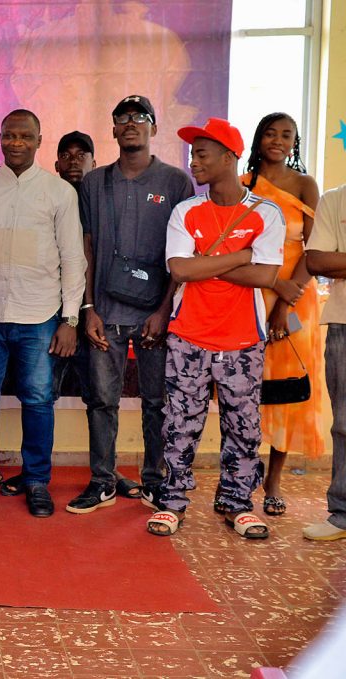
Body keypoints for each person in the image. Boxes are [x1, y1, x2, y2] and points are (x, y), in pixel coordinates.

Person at [147, 118, 285, 540]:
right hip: (188, 335)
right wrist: (241, 256)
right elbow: (180, 269)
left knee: (243, 427)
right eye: (193, 154)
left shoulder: (266, 213)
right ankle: (172, 502)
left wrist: (206, 264)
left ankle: (237, 504)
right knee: (179, 425)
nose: (193, 162)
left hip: (243, 340)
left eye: (202, 154)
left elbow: (266, 276)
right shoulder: (186, 211)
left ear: (229, 157)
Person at [66, 96, 195, 515]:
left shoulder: (175, 182)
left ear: (153, 128)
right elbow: (85, 247)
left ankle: (154, 481)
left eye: (140, 117)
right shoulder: (94, 182)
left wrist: (164, 310)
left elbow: (182, 253)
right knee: (101, 402)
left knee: (157, 402)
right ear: (114, 129)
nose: (131, 123)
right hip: (104, 312)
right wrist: (88, 308)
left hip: (155, 314)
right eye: (122, 118)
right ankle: (102, 481)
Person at [0, 109, 85, 518]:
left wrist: (70, 320)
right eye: (9, 135)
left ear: (39, 141)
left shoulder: (59, 193)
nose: (16, 143)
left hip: (40, 315)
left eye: (25, 136)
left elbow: (73, 258)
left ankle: (36, 481)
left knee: (38, 400)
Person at [241, 113, 323, 516]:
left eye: (286, 135)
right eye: (270, 133)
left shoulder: (305, 185)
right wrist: (270, 290)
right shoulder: (243, 186)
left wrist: (286, 301)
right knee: (246, 391)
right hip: (251, 296)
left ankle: (273, 480)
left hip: (295, 300)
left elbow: (315, 248)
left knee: (286, 392)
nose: (278, 140)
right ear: (259, 139)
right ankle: (241, 474)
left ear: (295, 142)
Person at [303, 184, 346, 541]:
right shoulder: (336, 199)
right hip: (344, 324)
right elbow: (317, 261)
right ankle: (342, 514)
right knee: (344, 423)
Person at [51, 131, 96, 425]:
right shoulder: (48, 200)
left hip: (94, 313)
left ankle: (101, 459)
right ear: (57, 165)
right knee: (43, 394)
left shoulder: (101, 202)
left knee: (99, 397)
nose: (73, 162)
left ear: (94, 162)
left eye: (81, 155)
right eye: (66, 156)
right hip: (54, 311)